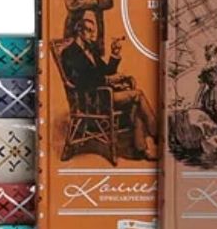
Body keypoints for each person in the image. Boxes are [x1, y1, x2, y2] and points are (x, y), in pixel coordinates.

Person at [60, 13, 157, 160]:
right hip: (91, 100)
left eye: (94, 31)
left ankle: (142, 149)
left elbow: (106, 71)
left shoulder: (91, 51)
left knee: (136, 103)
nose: (93, 35)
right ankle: (156, 133)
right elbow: (81, 81)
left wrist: (114, 54)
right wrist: (107, 79)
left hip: (103, 95)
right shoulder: (69, 53)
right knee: (138, 94)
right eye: (89, 31)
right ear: (79, 31)